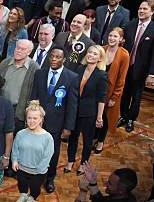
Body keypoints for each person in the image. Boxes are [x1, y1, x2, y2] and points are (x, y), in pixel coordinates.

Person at [31, 46, 79, 193]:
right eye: (52, 56)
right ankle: (34, 176)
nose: (53, 59)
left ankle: (50, 179)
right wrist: (32, 117)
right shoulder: (39, 73)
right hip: (38, 121)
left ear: (64, 59)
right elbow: (34, 97)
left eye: (57, 57)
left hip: (57, 123)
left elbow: (72, 105)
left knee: (52, 152)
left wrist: (68, 127)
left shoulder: (71, 77)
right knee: (35, 149)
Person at [118, 0, 154, 133]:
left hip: (142, 70)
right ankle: (124, 116)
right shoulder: (130, 25)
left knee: (136, 96)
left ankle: (131, 119)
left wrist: (152, 74)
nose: (141, 11)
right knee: (125, 94)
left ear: (152, 11)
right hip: (127, 67)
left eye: (145, 9)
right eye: (140, 8)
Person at [65, 45, 108, 174]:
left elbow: (102, 98)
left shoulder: (101, 75)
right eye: (89, 52)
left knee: (87, 140)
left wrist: (99, 117)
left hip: (89, 113)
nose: (90, 55)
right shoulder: (79, 69)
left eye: (95, 54)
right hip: (75, 111)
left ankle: (83, 164)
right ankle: (70, 161)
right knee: (73, 137)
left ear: (100, 58)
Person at [11, 101, 54, 202]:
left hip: (37, 171)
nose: (32, 121)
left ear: (41, 119)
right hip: (21, 168)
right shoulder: (21, 134)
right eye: (29, 118)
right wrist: (15, 160)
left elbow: (47, 155)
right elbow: (15, 148)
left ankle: (32, 198)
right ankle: (23, 195)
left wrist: (40, 169)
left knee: (35, 188)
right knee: (22, 185)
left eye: (35, 118)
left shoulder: (47, 137)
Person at [94, 28, 130, 152]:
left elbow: (122, 78)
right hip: (97, 90)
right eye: (110, 35)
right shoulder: (101, 49)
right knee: (95, 114)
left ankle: (100, 141)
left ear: (120, 39)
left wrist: (115, 97)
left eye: (115, 36)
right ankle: (94, 137)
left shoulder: (124, 54)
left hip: (111, 93)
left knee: (105, 117)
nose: (112, 38)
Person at [0, 39, 39, 131]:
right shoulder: (5, 63)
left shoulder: (34, 67)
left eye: (23, 49)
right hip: (1, 108)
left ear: (29, 52)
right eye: (17, 48)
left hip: (19, 111)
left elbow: (35, 92)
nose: (18, 51)